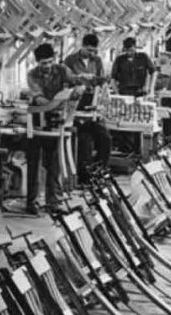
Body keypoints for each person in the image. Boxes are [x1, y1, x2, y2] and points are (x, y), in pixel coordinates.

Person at [26, 42, 79, 215]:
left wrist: (75, 92)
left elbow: (75, 84)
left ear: (54, 59)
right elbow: (38, 98)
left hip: (56, 119)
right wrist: (55, 104)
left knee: (54, 161)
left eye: (49, 62)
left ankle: (53, 201)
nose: (47, 67)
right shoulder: (32, 75)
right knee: (34, 161)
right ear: (37, 63)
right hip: (36, 119)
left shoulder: (62, 70)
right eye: (43, 64)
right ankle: (31, 201)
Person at [63, 33, 112, 183]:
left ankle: (101, 171)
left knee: (105, 137)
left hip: (91, 102)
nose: (92, 54)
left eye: (94, 51)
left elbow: (101, 79)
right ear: (82, 45)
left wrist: (102, 88)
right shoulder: (70, 60)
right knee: (84, 139)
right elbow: (65, 81)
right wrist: (80, 79)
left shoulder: (97, 60)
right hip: (75, 102)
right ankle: (85, 177)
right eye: (89, 50)